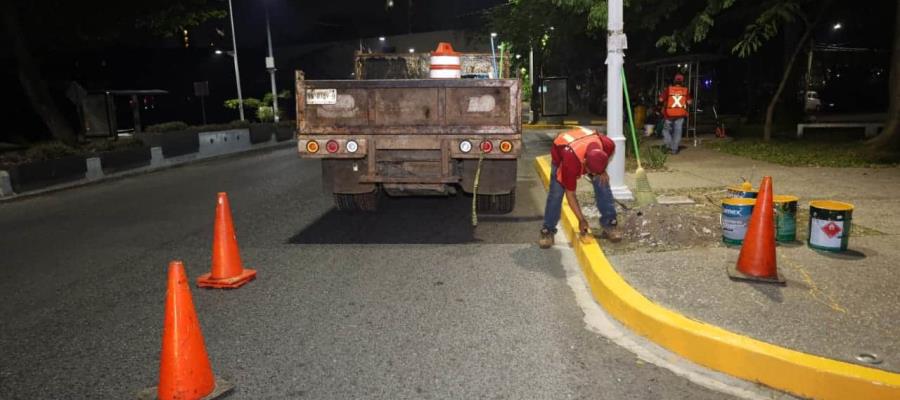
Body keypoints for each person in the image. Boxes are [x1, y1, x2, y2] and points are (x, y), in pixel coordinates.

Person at [539, 127, 621, 249]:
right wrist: (581, 219)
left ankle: (610, 224)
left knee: (602, 182)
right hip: (562, 153)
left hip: (583, 143)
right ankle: (547, 230)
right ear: (584, 161)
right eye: (590, 172)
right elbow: (570, 194)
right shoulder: (570, 161)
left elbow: (607, 157)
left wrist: (602, 170)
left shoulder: (607, 145)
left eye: (593, 172)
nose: (591, 175)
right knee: (556, 193)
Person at [658, 73, 692, 154]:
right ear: (682, 82)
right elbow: (689, 102)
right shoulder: (685, 90)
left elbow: (660, 100)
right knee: (678, 131)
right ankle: (674, 149)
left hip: (669, 114)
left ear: (674, 81)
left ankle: (669, 145)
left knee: (666, 131)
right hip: (680, 114)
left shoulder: (668, 89)